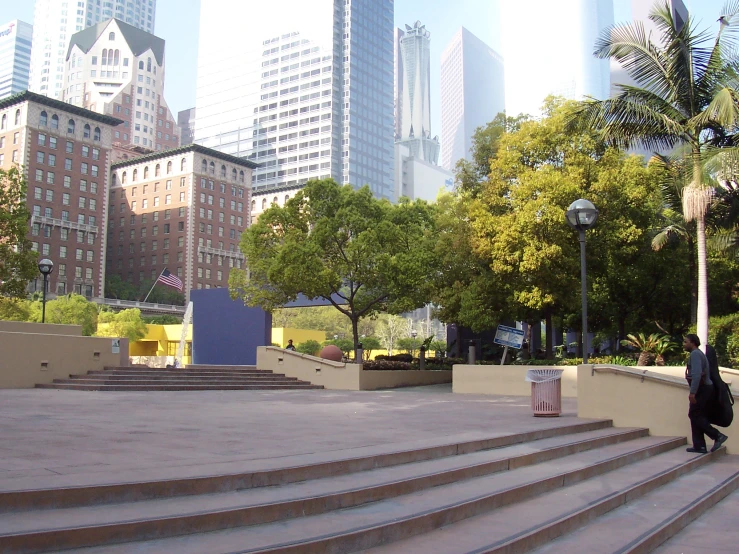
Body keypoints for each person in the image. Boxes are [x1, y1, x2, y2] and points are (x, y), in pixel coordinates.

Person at [684, 334, 728, 454]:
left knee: (694, 414)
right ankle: (699, 446)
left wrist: (693, 393)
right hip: (705, 388)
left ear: (692, 343)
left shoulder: (695, 354)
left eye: (685, 342)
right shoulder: (698, 354)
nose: (684, 344)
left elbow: (697, 374)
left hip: (702, 389)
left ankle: (717, 435)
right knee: (697, 415)